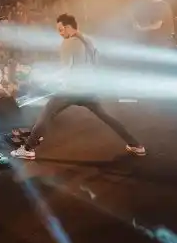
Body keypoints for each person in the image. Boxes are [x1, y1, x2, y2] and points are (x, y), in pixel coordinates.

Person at [11, 14, 147, 160]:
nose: (60, 34)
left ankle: (28, 149)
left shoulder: (68, 43)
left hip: (71, 89)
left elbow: (66, 70)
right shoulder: (89, 40)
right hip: (89, 88)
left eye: (61, 30)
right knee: (107, 117)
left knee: (47, 113)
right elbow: (96, 62)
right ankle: (136, 145)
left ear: (69, 27)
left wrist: (45, 78)